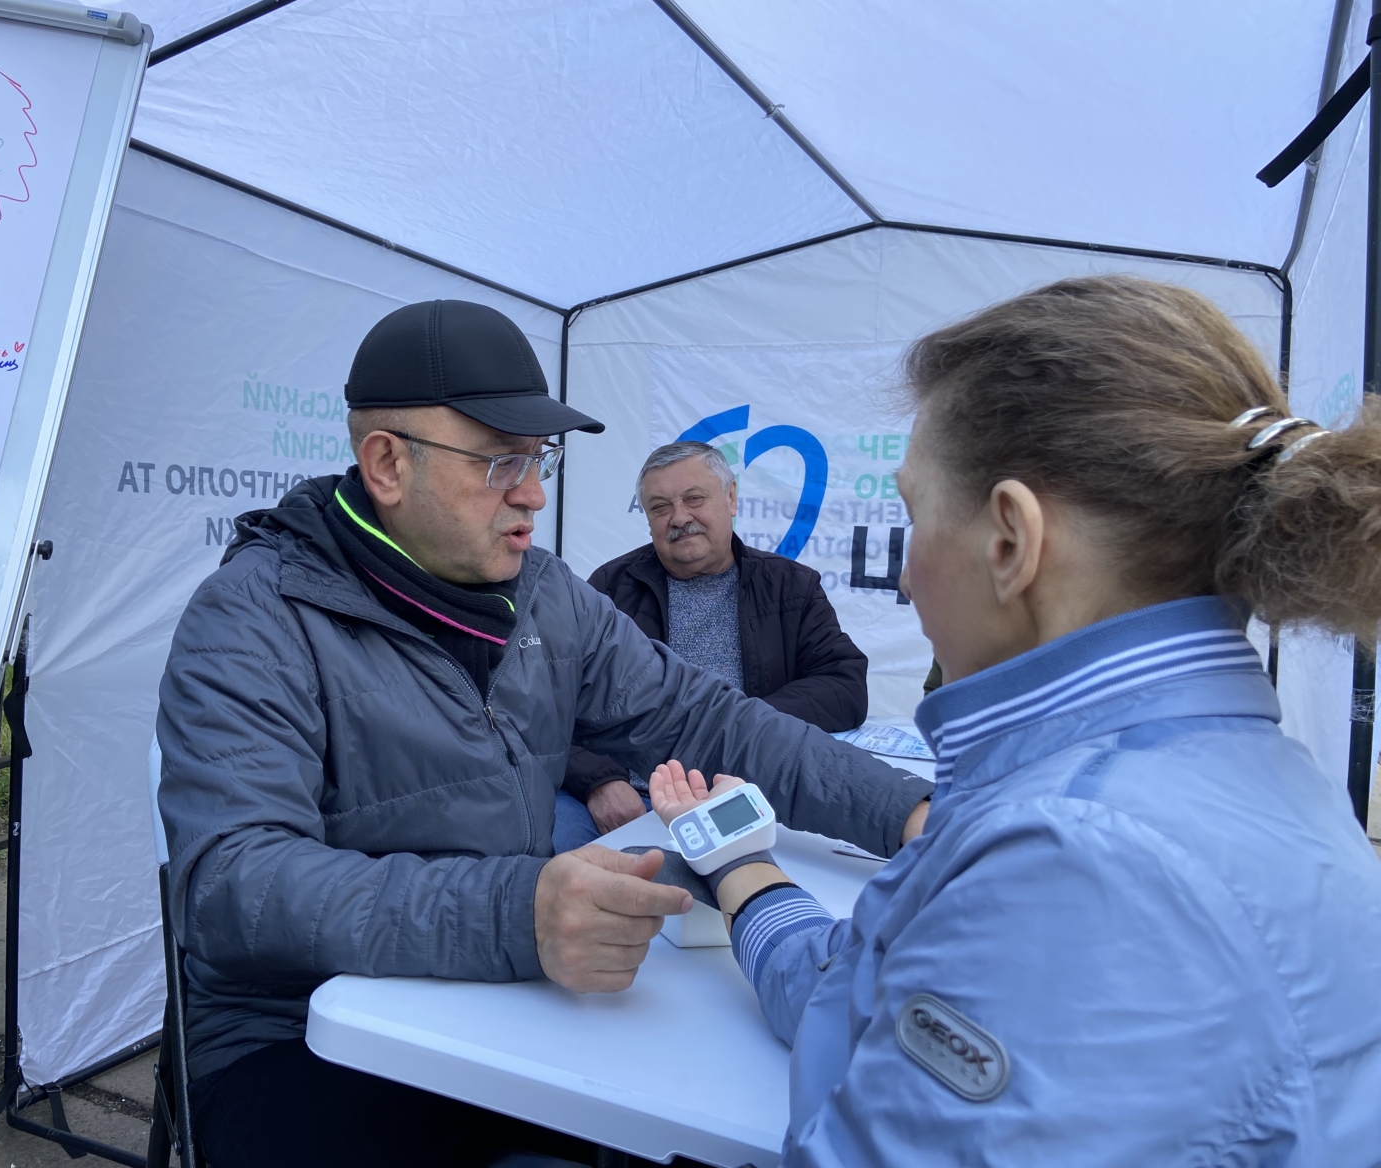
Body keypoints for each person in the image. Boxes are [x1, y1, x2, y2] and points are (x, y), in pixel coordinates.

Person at [155, 299, 934, 1168]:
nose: (532, 492)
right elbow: (231, 884)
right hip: (297, 1032)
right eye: (501, 461)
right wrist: (519, 915)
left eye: (540, 458)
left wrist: (912, 815)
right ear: (387, 464)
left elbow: (708, 719)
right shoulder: (253, 616)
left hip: (500, 1000)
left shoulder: (547, 595)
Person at [649, 276, 1381, 1165]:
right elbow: (869, 982)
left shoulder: (1076, 857)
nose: (907, 576)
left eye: (914, 517)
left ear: (1011, 542)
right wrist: (742, 873)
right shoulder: (1253, 782)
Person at [556, 440, 870, 852]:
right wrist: (599, 782)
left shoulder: (790, 586)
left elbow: (844, 685)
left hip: (747, 790)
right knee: (552, 860)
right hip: (629, 795)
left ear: (731, 498)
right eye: (660, 507)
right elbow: (552, 701)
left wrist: (741, 728)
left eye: (694, 499)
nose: (679, 518)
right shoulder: (608, 589)